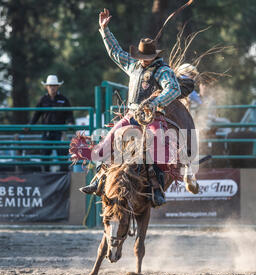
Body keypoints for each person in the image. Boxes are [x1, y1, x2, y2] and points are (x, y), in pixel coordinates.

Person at [74, 8, 182, 207]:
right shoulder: (133, 66)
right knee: (107, 142)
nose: (142, 59)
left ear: (153, 56)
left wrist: (154, 103)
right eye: (141, 55)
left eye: (145, 56)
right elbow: (115, 52)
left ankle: (157, 188)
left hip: (153, 116)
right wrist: (105, 30)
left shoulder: (163, 71)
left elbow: (173, 90)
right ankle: (99, 179)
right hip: (132, 114)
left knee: (157, 145)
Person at [26, 75, 75, 171]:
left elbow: (69, 114)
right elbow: (36, 114)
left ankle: (63, 174)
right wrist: (30, 124)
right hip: (47, 131)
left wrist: (70, 123)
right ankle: (45, 174)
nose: (52, 87)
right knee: (45, 155)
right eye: (50, 85)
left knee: (62, 155)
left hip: (59, 132)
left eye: (54, 85)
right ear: (46, 87)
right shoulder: (43, 100)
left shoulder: (64, 99)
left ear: (57, 87)